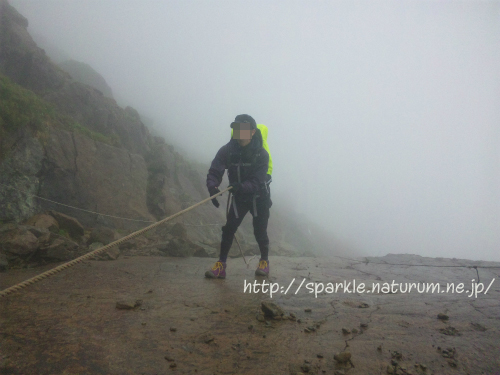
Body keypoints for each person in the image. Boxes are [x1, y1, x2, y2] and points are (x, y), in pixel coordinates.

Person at [205, 114, 272, 279]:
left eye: (242, 129)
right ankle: (221, 265)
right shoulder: (228, 150)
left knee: (260, 231)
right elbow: (215, 170)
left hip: (259, 198)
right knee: (229, 229)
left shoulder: (261, 154)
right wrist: (212, 186)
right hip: (239, 196)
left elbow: (257, 181)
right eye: (236, 128)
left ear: (252, 132)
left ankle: (264, 260)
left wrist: (240, 187)